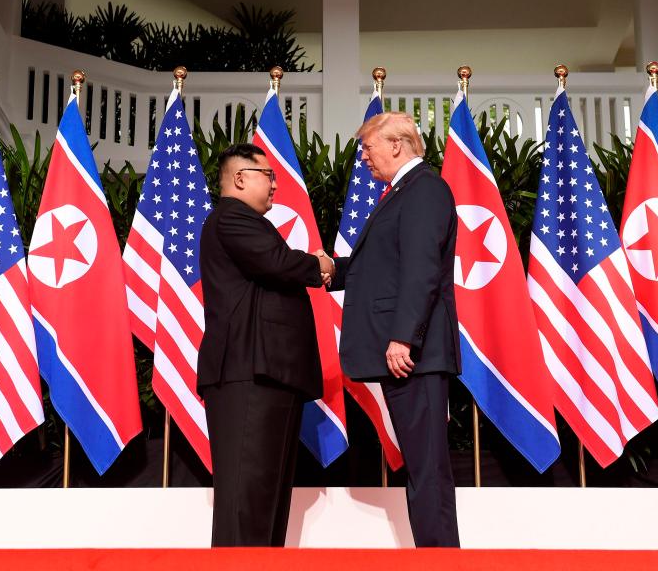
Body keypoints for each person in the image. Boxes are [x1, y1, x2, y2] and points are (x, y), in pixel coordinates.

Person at [327, 112, 461, 547]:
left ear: (398, 145)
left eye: (368, 147)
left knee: (428, 470)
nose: (363, 157)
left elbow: (422, 269)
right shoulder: (403, 191)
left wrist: (403, 336)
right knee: (422, 468)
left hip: (414, 355)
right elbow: (382, 267)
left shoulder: (424, 189)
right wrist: (333, 270)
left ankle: (441, 560)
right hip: (408, 354)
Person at [197, 143, 334, 547]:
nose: (275, 185)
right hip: (247, 373)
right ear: (240, 178)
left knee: (268, 499)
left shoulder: (243, 220)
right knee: (247, 498)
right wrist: (319, 265)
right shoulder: (231, 217)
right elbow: (277, 262)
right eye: (268, 175)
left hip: (268, 374)